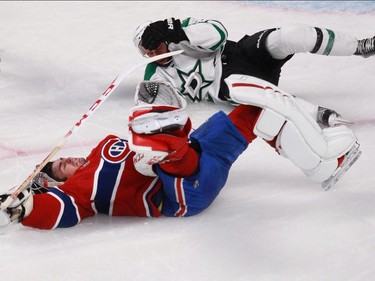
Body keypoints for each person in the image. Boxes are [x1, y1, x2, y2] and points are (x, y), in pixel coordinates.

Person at [0, 79, 361, 230]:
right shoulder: (78, 192)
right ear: (55, 182)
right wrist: (27, 208)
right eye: (63, 166)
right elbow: (59, 212)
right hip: (184, 191)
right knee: (151, 146)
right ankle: (161, 132)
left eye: (66, 158)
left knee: (253, 112)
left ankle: (325, 165)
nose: (72, 162)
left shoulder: (99, 149)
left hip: (193, 157)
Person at [133, 17, 374, 124]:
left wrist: (179, 32)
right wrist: (147, 98)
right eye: (147, 52)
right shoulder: (154, 74)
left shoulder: (179, 33)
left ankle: (359, 46)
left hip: (241, 53)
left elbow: (218, 34)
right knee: (254, 94)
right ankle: (318, 115)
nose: (154, 54)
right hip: (232, 85)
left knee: (292, 34)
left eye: (157, 47)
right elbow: (156, 103)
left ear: (165, 39)